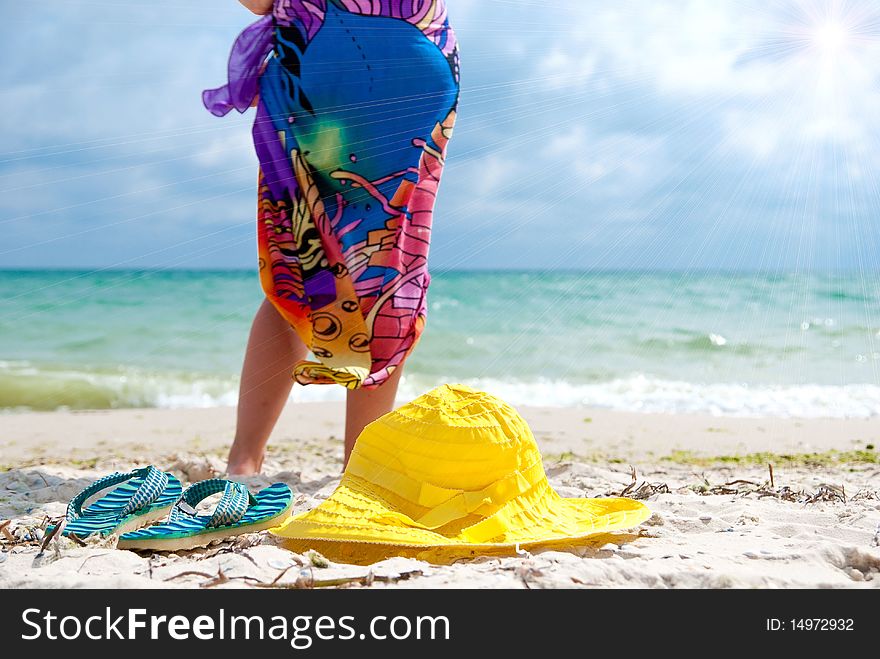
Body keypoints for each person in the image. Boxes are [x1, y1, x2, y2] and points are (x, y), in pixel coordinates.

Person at [212, 1, 460, 475]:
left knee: (298, 267)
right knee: (389, 273)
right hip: (415, 61)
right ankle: (359, 470)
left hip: (313, 70)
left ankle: (244, 462)